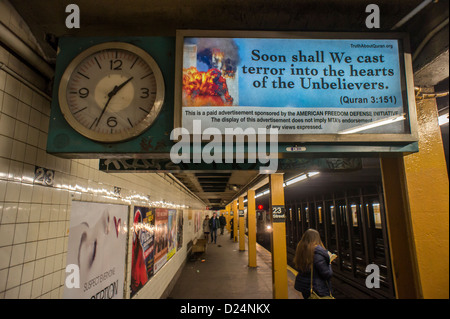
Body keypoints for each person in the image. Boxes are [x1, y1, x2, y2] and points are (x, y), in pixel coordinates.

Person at [293, 228, 337, 299]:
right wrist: (329, 263)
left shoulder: (301, 250)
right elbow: (327, 274)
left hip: (305, 287)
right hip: (317, 288)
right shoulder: (317, 253)